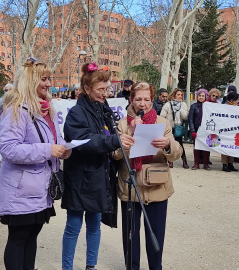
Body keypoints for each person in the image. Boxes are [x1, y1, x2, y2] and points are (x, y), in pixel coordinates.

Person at [0, 58, 70, 270]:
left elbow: (54, 139)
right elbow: (9, 149)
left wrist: (64, 148)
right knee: (19, 238)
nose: (48, 84)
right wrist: (48, 150)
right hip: (21, 191)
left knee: (32, 235)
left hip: (39, 188)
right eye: (44, 79)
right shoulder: (16, 109)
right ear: (30, 81)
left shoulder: (47, 108)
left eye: (49, 79)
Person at [61, 62, 132, 270]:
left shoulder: (103, 109)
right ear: (87, 89)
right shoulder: (76, 113)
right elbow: (84, 141)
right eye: (101, 89)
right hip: (80, 178)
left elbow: (109, 135)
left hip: (99, 176)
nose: (105, 93)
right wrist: (113, 141)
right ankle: (67, 267)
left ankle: (91, 265)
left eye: (107, 89)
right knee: (73, 226)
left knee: (94, 225)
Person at [112, 81, 181, 270]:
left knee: (156, 235)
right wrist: (128, 139)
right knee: (131, 236)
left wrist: (167, 144)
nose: (142, 103)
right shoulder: (123, 123)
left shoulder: (162, 122)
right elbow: (115, 155)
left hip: (157, 187)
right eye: (138, 99)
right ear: (131, 100)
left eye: (146, 99)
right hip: (131, 188)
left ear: (152, 101)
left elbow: (177, 153)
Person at [160, 88, 189, 168]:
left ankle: (184, 161)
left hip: (178, 126)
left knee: (180, 144)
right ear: (174, 95)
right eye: (178, 94)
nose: (180, 96)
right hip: (169, 127)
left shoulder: (183, 104)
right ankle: (170, 161)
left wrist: (180, 109)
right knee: (169, 144)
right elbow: (162, 116)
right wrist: (165, 126)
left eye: (181, 95)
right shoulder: (168, 104)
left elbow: (185, 117)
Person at [189, 89, 211, 170]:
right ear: (197, 96)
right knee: (197, 148)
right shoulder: (193, 106)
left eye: (203, 96)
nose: (201, 97)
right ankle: (196, 163)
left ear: (205, 96)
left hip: (206, 130)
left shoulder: (209, 106)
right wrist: (192, 131)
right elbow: (190, 119)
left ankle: (206, 163)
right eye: (199, 95)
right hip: (197, 130)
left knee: (206, 147)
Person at [222, 92, 239, 172]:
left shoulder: (236, 108)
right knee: (225, 148)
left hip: (233, 131)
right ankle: (225, 164)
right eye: (237, 100)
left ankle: (230, 164)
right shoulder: (225, 107)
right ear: (232, 100)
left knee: (232, 147)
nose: (238, 101)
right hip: (225, 131)